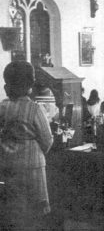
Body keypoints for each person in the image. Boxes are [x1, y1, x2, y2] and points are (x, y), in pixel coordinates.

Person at [0, 61, 53, 230]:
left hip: (9, 165)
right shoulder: (35, 108)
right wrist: (35, 151)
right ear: (29, 84)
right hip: (33, 169)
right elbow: (47, 140)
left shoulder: (3, 106)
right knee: (34, 213)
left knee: (14, 211)